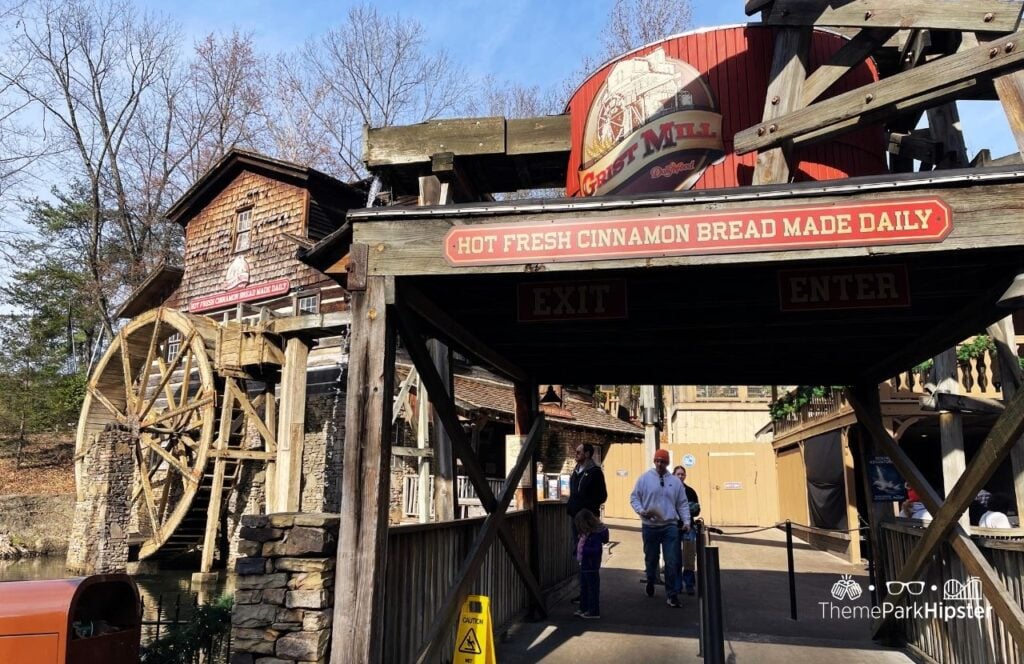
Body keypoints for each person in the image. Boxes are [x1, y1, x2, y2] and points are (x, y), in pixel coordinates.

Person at [630, 448, 691, 608]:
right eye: (657, 461)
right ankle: (651, 579)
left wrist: (686, 521)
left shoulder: (675, 482)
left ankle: (672, 594)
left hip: (670, 525)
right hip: (650, 526)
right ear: (654, 461)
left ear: (667, 463)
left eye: (663, 461)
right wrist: (642, 511)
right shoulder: (644, 479)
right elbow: (634, 497)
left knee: (672, 561)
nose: (659, 464)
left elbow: (682, 503)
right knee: (651, 558)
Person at [573, 509, 610, 619]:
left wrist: (584, 550)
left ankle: (593, 611)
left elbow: (597, 550)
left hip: (591, 565)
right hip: (585, 564)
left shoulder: (594, 536)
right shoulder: (587, 535)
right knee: (584, 587)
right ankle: (583, 608)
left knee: (592, 589)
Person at [673, 465, 700, 595]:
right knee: (676, 558)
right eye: (678, 474)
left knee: (689, 557)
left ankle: (689, 584)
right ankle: (677, 585)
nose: (680, 476)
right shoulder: (669, 491)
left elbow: (697, 509)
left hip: (688, 528)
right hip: (674, 528)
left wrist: (691, 509)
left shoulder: (690, 491)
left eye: (682, 474)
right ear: (673, 475)